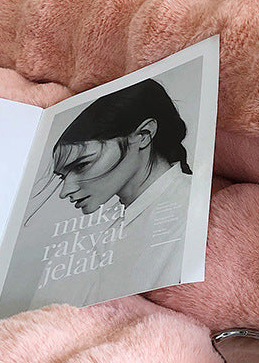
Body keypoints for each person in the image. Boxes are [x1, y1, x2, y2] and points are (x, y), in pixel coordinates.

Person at [32, 78, 193, 307]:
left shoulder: (193, 207)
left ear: (144, 135)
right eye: (62, 176)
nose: (65, 191)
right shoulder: (86, 235)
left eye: (81, 165)